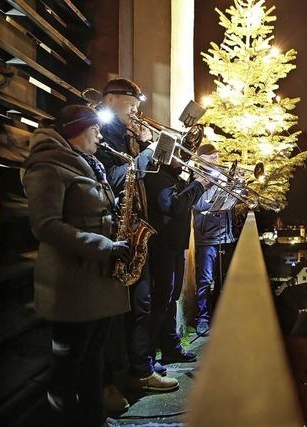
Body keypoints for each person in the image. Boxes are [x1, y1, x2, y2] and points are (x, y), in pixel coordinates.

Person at [23, 105, 131, 426]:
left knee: (93, 359)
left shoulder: (87, 163)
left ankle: (94, 418)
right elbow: (46, 226)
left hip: (96, 281)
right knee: (70, 367)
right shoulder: (47, 165)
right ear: (76, 131)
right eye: (95, 130)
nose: (100, 135)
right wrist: (106, 246)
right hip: (71, 286)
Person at [95, 79, 177, 398]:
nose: (137, 110)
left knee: (141, 305)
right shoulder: (103, 132)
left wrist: (148, 149)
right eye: (132, 103)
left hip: (135, 229)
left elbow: (140, 177)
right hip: (116, 233)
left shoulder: (127, 134)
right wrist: (145, 154)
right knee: (125, 310)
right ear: (113, 99)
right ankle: (129, 373)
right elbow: (116, 178)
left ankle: (139, 367)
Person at [144, 153, 211, 365]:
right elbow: (172, 206)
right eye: (179, 155)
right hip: (163, 246)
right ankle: (148, 355)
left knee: (170, 298)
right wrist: (199, 184)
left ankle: (169, 346)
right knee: (160, 300)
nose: (184, 159)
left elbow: (185, 201)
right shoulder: (158, 176)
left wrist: (200, 183)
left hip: (176, 245)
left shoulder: (174, 177)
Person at [192, 144, 238, 336]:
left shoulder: (221, 176)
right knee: (205, 281)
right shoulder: (195, 177)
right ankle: (202, 319)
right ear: (202, 159)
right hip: (207, 237)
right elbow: (199, 204)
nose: (217, 161)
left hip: (225, 235)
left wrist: (234, 189)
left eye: (218, 157)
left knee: (224, 279)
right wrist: (212, 185)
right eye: (212, 158)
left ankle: (222, 315)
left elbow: (231, 202)